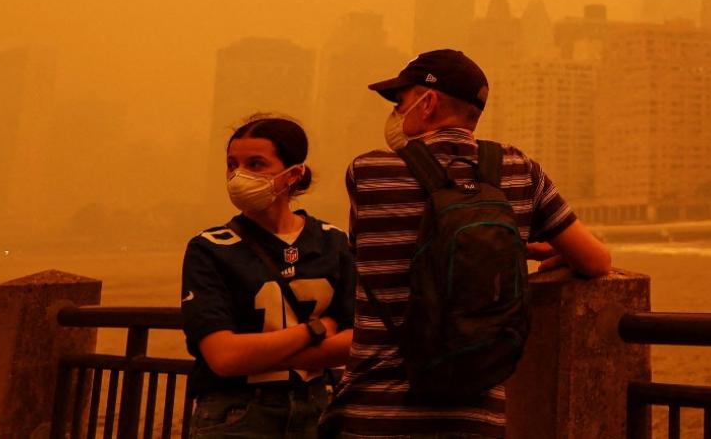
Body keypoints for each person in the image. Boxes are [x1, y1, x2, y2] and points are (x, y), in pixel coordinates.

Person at [323, 49, 611, 439]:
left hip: (375, 412)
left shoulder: (369, 172)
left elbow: (389, 249)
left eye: (400, 101)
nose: (395, 113)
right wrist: (521, 246)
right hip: (475, 419)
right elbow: (596, 261)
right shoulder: (520, 170)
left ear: (429, 102)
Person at [182, 114, 356, 437]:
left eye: (256, 164)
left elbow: (357, 343)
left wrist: (258, 354)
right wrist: (317, 329)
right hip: (236, 415)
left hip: (317, 410)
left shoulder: (333, 243)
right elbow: (223, 357)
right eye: (232, 164)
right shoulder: (209, 248)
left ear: (293, 175)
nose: (238, 175)